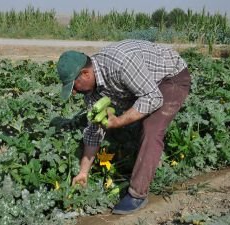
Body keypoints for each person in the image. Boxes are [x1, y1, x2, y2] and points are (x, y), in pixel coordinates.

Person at [56, 39, 191, 215]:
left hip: (169, 77)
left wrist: (119, 121)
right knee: (137, 120)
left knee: (151, 128)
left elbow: (153, 98)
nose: (74, 92)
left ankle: (137, 194)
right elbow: (94, 131)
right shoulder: (91, 92)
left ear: (85, 73)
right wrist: (83, 172)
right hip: (142, 81)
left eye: (73, 86)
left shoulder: (120, 64)